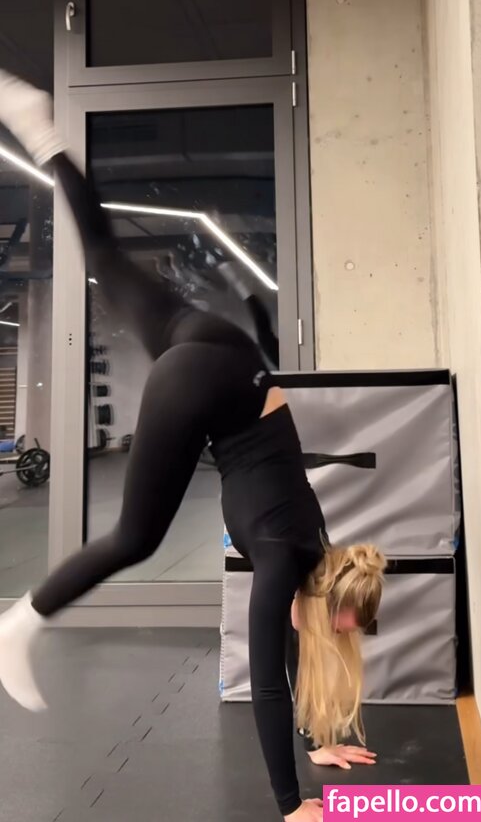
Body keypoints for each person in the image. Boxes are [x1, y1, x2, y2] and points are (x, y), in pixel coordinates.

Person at [0, 70, 386, 822]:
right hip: (208, 382)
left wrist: (320, 742)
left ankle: (41, 132)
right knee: (136, 538)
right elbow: (268, 682)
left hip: (221, 351)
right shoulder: (284, 559)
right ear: (328, 601)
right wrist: (291, 805)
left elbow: (292, 654)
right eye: (346, 627)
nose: (336, 638)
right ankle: (20, 624)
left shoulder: (316, 550)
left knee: (106, 259)